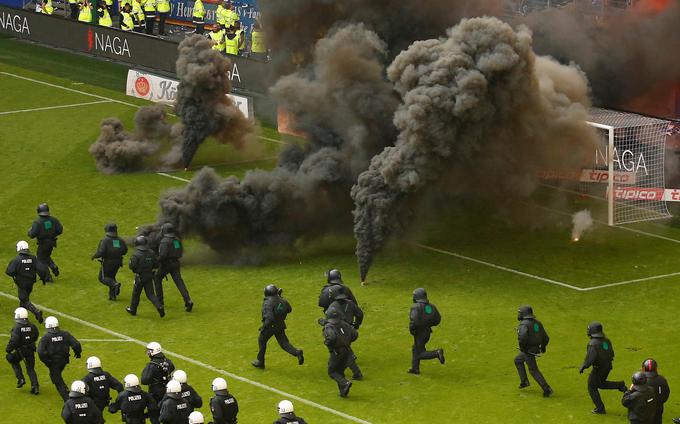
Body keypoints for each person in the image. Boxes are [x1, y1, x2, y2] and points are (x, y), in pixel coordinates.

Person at [251, 284, 304, 369]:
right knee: (284, 343)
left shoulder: (268, 302)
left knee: (261, 340)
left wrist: (264, 327)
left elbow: (269, 317)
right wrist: (281, 298)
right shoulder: (281, 300)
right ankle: (297, 352)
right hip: (280, 325)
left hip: (270, 326)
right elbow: (289, 309)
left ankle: (260, 362)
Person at [579, 321, 627, 414]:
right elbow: (612, 353)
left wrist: (583, 366)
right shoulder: (606, 341)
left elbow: (590, 359)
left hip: (598, 368)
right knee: (600, 384)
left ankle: (600, 408)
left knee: (591, 386)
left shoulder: (592, 343)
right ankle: (620, 385)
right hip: (607, 366)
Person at [38, 316, 82, 401]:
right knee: (57, 375)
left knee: (57, 381)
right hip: (64, 361)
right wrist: (78, 353)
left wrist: (47, 361)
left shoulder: (46, 338)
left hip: (53, 363)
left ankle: (68, 401)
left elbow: (40, 352)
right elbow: (76, 344)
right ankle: (65, 389)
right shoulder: (65, 334)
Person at [514, 305, 553, 397]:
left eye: (519, 312)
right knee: (518, 360)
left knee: (533, 370)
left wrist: (523, 347)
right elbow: (546, 337)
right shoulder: (536, 323)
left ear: (523, 314)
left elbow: (523, 337)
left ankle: (547, 388)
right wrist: (543, 347)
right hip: (534, 349)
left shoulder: (524, 324)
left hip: (528, 350)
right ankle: (524, 382)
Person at [154, 223, 193, 313]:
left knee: (157, 278)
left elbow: (163, 255)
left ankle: (160, 302)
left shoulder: (164, 241)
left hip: (166, 265)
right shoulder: (176, 240)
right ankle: (188, 300)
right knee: (179, 282)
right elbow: (180, 252)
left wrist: (156, 261)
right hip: (176, 263)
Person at [325, 290, 364, 380]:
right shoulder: (350, 303)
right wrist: (356, 324)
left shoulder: (333, 306)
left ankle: (341, 372)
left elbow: (330, 320)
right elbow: (360, 314)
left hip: (338, 330)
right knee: (347, 351)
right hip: (349, 330)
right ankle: (355, 372)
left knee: (342, 352)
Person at [6, 240, 48, 323]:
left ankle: (37, 312)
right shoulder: (33, 258)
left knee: (24, 299)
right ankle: (22, 315)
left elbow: (9, 271)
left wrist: (15, 275)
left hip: (21, 283)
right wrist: (43, 278)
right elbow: (41, 269)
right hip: (31, 282)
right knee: (24, 300)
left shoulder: (17, 259)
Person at [408, 288, 444, 375]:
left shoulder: (416, 307)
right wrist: (428, 324)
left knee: (419, 353)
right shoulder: (431, 306)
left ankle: (436, 353)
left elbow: (414, 321)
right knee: (415, 348)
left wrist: (412, 329)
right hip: (427, 332)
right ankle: (415, 369)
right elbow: (437, 319)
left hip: (419, 333)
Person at [127, 236, 165, 318]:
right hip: (149, 276)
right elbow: (156, 264)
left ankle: (133, 310)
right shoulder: (151, 252)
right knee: (151, 294)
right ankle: (160, 307)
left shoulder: (136, 254)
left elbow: (131, 266)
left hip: (140, 277)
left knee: (136, 293)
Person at [5, 307, 40, 394]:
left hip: (21, 350)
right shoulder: (32, 325)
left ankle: (20, 378)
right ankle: (35, 387)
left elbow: (14, 340)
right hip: (31, 350)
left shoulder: (17, 328)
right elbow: (36, 335)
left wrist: (8, 349)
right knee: (30, 368)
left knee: (11, 359)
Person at [322, 309, 356, 397]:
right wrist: (347, 340)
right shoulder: (344, 324)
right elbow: (355, 334)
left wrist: (326, 342)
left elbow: (331, 337)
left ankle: (345, 383)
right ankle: (343, 392)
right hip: (347, 351)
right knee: (340, 371)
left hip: (337, 352)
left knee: (332, 371)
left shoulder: (329, 326)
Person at [27, 203, 63, 281]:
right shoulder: (54, 219)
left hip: (43, 243)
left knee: (40, 259)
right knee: (46, 256)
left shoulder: (37, 222)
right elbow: (60, 230)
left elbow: (32, 235)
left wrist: (29, 231)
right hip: (52, 242)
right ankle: (53, 267)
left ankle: (47, 277)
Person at [141, 341, 175, 423]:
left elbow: (144, 380)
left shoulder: (151, 365)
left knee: (154, 415)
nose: (148, 353)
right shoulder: (167, 361)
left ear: (153, 352)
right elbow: (172, 367)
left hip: (155, 393)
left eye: (149, 351)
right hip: (167, 390)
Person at [92, 223, 128, 301]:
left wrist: (94, 256)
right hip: (118, 262)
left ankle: (115, 284)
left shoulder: (105, 240)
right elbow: (125, 251)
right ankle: (112, 296)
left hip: (108, 262)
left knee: (103, 278)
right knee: (111, 277)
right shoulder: (120, 240)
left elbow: (101, 252)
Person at [642, 359, 669, 424]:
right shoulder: (661, 379)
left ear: (643, 369)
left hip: (644, 410)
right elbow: (666, 394)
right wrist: (660, 402)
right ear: (656, 368)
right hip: (658, 408)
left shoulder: (640, 380)